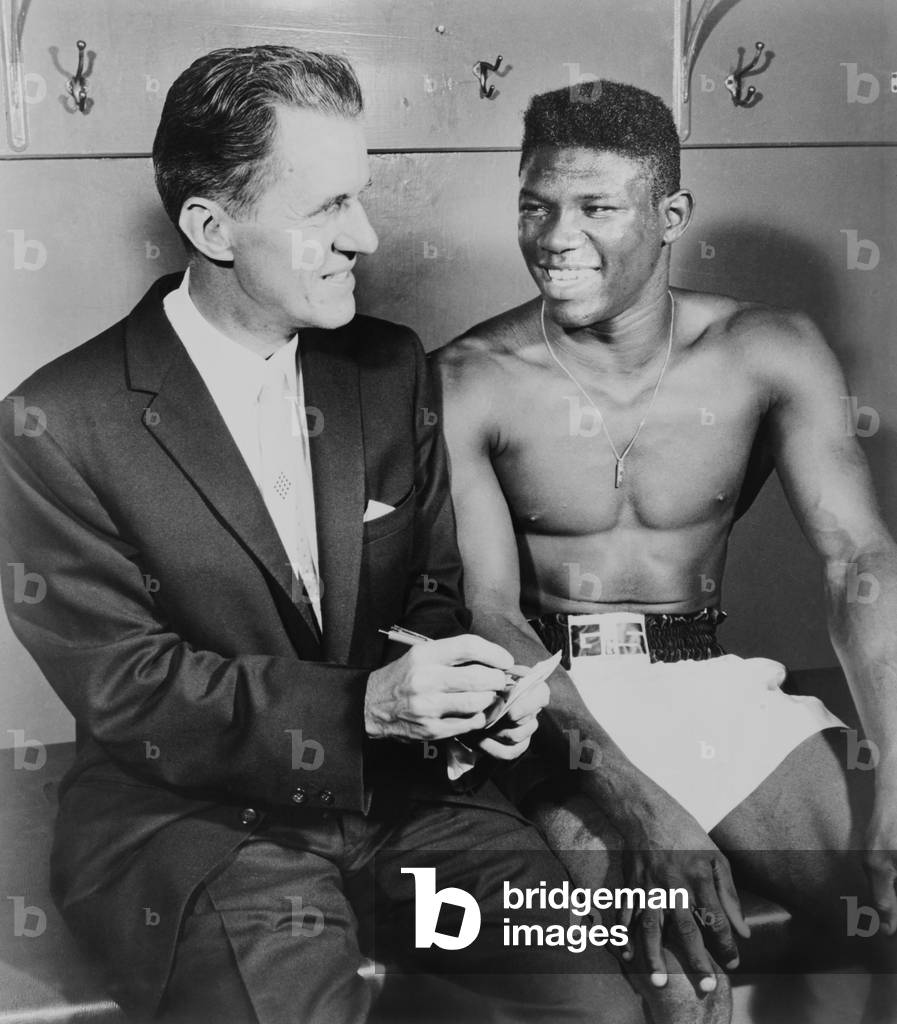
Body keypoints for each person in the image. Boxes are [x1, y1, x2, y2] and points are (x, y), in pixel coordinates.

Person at [0, 50, 646, 1024]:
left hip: (412, 805)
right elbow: (132, 690)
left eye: (364, 195)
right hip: (202, 828)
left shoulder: (386, 370)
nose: (368, 235)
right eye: (326, 208)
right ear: (211, 227)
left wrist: (474, 696)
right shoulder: (55, 425)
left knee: (604, 1010)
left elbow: (429, 592)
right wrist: (365, 710)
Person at [437, 80, 897, 1023]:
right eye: (535, 204)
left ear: (670, 214)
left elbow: (860, 561)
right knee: (684, 981)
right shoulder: (468, 380)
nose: (554, 236)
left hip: (709, 683)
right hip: (554, 713)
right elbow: (489, 615)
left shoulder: (766, 349)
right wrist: (640, 803)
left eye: (596, 207)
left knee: (884, 907)